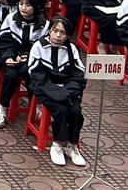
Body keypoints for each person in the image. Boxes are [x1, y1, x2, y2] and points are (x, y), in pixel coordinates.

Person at [26, 14, 87, 167]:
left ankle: (72, 146)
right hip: (45, 88)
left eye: (63, 33)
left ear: (68, 35)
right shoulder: (39, 46)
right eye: (55, 31)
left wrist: (67, 91)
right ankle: (57, 144)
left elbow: (79, 75)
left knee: (76, 111)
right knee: (61, 110)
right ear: (49, 31)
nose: (58, 35)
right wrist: (57, 92)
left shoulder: (71, 49)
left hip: (68, 90)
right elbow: (36, 74)